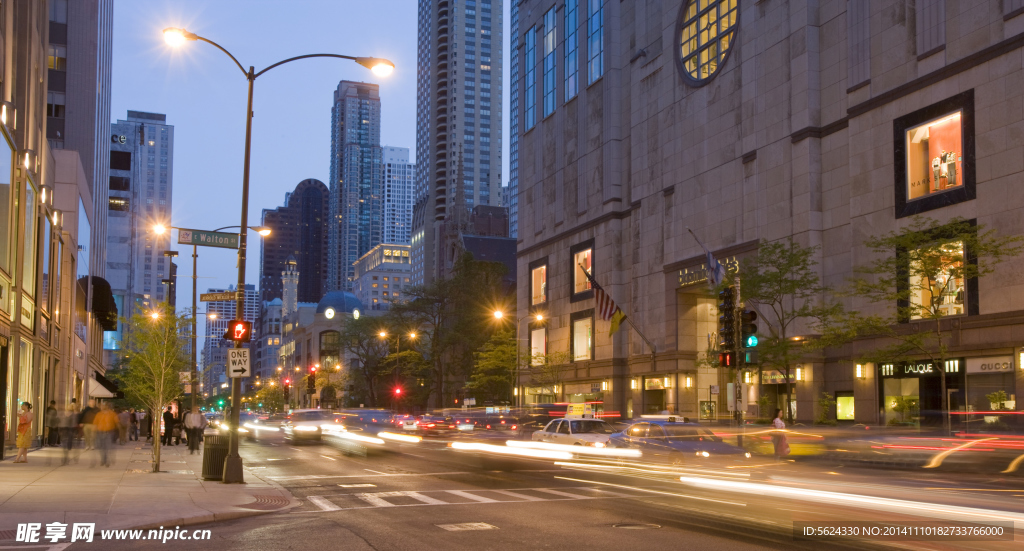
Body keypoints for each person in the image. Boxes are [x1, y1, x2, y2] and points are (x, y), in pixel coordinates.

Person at [93, 402, 119, 467]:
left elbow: (117, 422)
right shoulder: (99, 414)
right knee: (101, 447)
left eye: (104, 406)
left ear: (107, 406)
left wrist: (117, 431)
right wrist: (94, 432)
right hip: (100, 432)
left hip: (109, 432)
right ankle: (103, 459)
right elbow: (95, 423)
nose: (103, 407)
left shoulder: (112, 414)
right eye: (102, 406)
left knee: (108, 447)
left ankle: (107, 461)